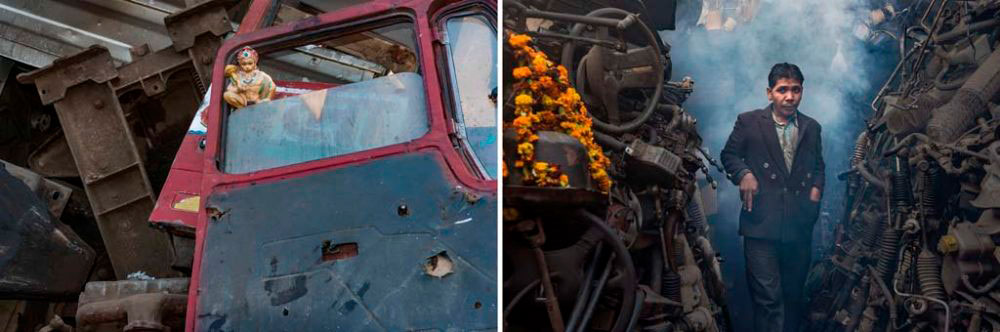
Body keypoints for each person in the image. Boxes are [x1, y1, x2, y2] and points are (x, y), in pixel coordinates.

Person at [720, 62, 825, 332]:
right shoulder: (749, 121)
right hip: (761, 227)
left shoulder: (812, 127)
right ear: (770, 93)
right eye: (782, 90)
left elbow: (818, 166)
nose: (789, 96)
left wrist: (815, 193)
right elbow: (729, 155)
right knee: (768, 300)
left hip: (799, 227)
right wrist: (744, 174)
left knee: (793, 296)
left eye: (795, 90)